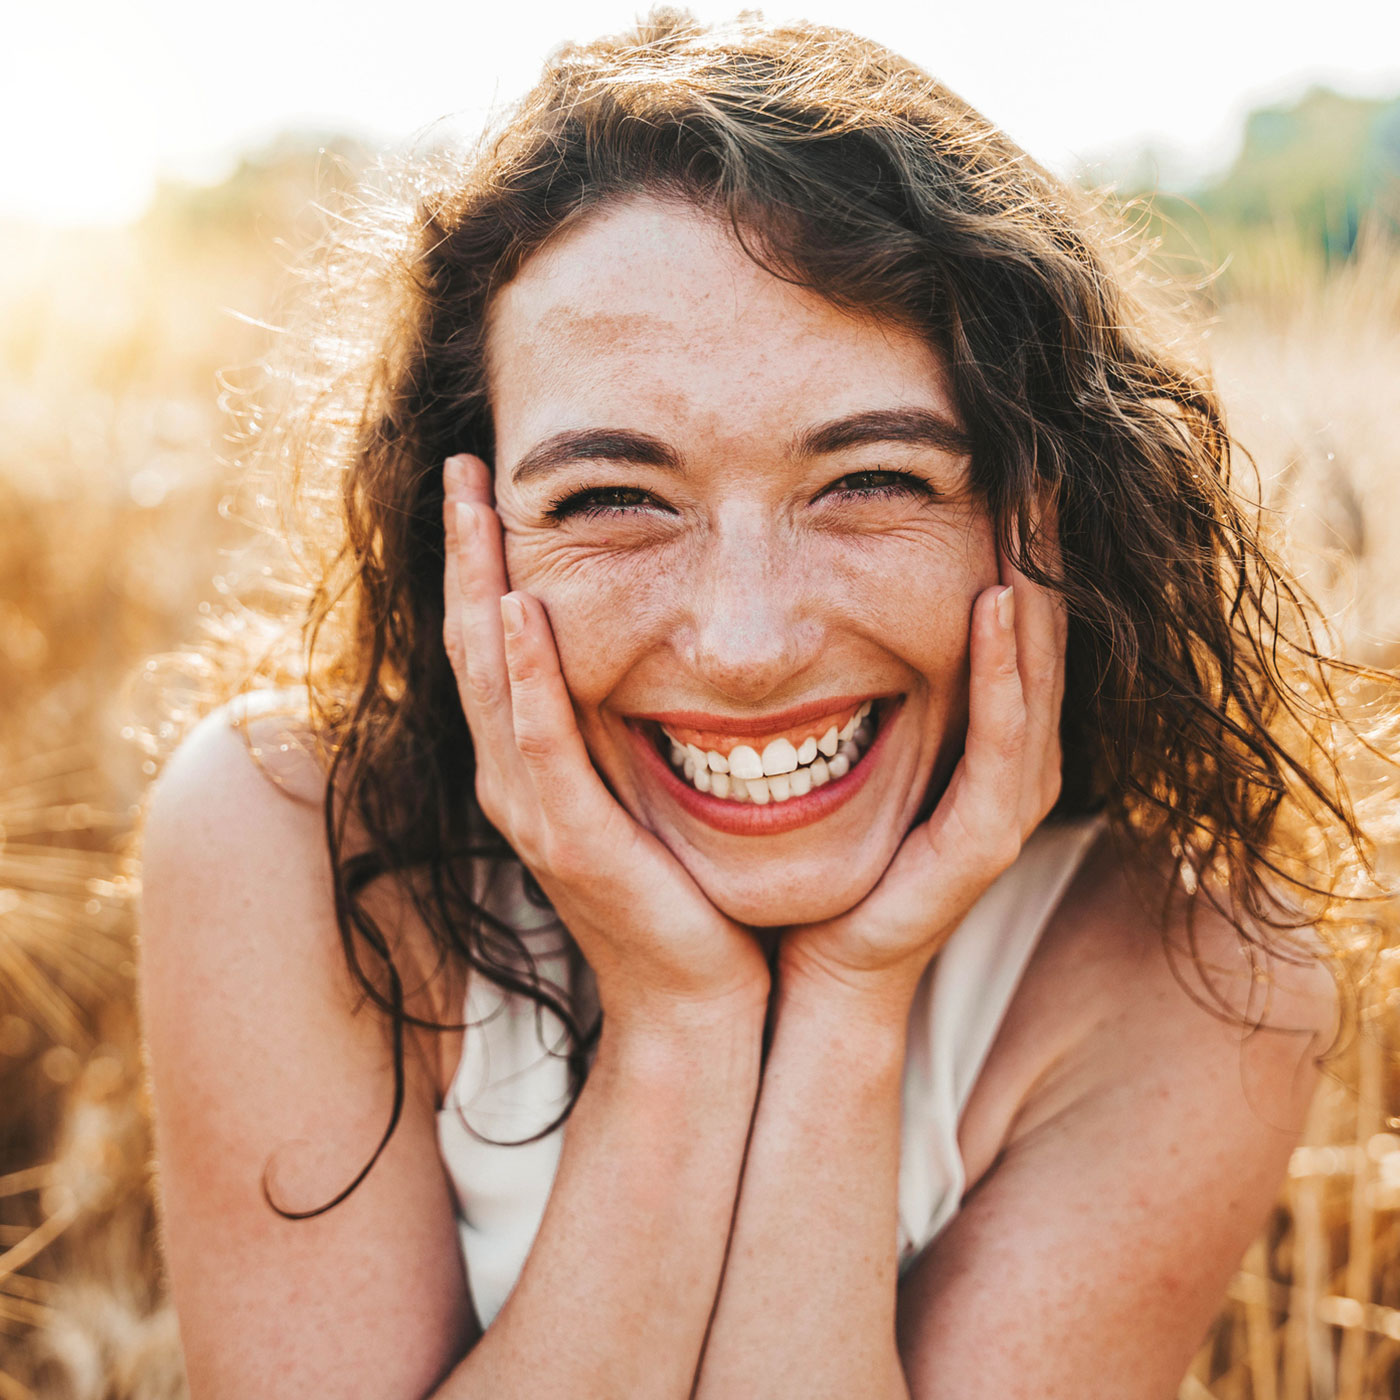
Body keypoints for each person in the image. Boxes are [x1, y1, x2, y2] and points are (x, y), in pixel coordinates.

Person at [137, 10, 1386, 1397]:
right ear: (470, 543)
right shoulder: (286, 845)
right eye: (613, 497)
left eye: (873, 482)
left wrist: (852, 1008)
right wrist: (680, 1024)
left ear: (1042, 520)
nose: (745, 644)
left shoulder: (1192, 976)